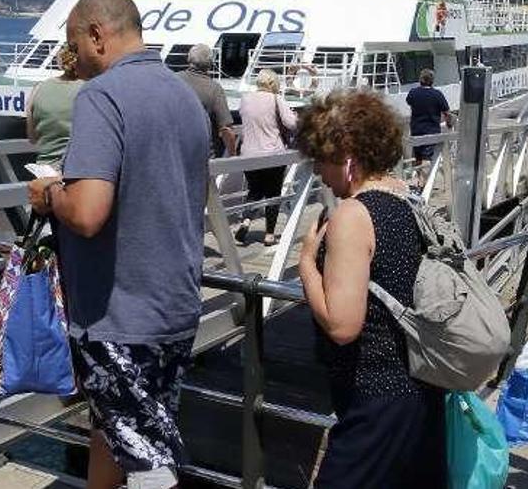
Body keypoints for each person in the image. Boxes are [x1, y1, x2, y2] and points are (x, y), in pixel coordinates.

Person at [27, 0, 208, 489]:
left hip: (119, 315)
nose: (73, 58)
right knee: (123, 430)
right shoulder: (185, 96)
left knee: (149, 463)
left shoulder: (102, 96)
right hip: (175, 303)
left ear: (96, 34)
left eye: (74, 43)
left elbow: (86, 213)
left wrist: (48, 195)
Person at [296, 89, 446, 488]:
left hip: (375, 398)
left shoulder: (353, 215)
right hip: (420, 389)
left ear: (346, 155)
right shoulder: (408, 197)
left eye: (320, 159)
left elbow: (343, 326)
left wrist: (308, 265)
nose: (318, 172)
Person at [231, 69, 297, 246]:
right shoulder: (276, 99)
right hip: (272, 154)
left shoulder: (245, 99)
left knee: (255, 190)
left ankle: (246, 220)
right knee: (273, 194)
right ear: (273, 83)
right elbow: (291, 123)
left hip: (248, 155)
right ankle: (269, 235)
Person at [26, 45, 83, 171]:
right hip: (76, 173)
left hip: (44, 172)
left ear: (59, 60)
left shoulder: (38, 88)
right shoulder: (89, 89)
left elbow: (32, 138)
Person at [175, 44, 236, 158]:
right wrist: (233, 156)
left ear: (189, 59)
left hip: (175, 154)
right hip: (202, 158)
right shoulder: (214, 89)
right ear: (210, 64)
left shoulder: (173, 80)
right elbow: (226, 129)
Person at [404, 69, 452, 169]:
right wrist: (449, 124)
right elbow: (447, 113)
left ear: (420, 79)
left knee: (417, 157)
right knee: (427, 158)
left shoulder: (413, 93)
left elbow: (409, 102)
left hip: (416, 130)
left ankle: (418, 181)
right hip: (431, 130)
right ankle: (423, 183)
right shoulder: (437, 94)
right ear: (432, 80)